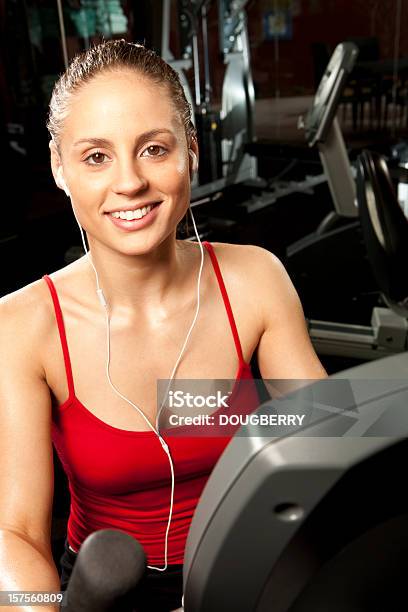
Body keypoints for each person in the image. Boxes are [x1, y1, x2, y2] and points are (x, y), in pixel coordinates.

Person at [0, 39, 327, 611]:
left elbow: (327, 442)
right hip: (106, 591)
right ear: (59, 168)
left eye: (153, 149)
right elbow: (18, 532)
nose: (129, 183)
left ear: (191, 152)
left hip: (251, 570)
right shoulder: (22, 325)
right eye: (96, 157)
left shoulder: (254, 280)